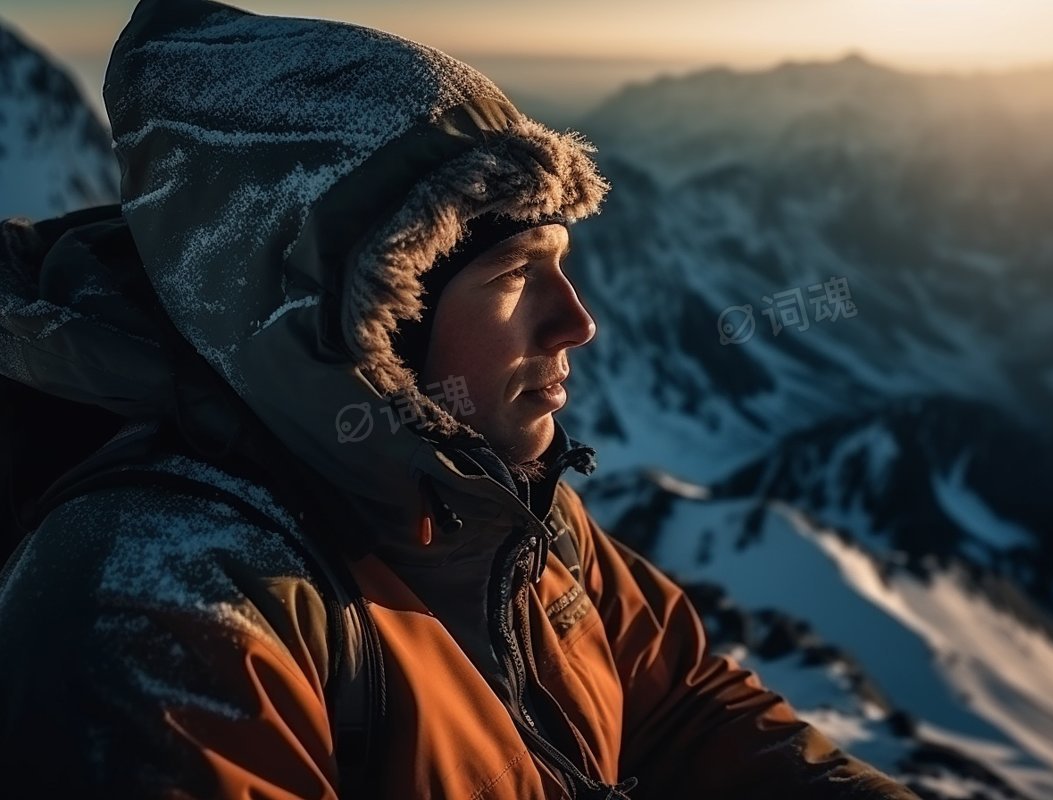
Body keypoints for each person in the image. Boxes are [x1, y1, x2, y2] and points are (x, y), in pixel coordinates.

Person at [0, 0, 921, 797]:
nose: (578, 324)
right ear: (369, 322)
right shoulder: (160, 607)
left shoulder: (504, 506)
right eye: (519, 274)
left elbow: (678, 713)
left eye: (564, 264)